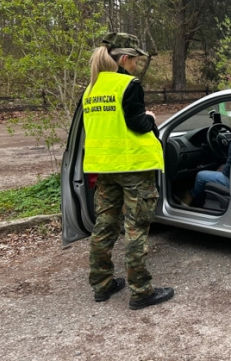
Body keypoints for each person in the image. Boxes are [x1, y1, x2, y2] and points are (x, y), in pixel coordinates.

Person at [83, 32, 174, 310]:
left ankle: (102, 285)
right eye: (134, 60)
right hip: (133, 166)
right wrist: (150, 119)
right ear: (124, 59)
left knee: (104, 227)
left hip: (104, 167)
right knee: (136, 229)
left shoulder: (91, 89)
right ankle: (141, 291)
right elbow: (136, 124)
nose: (135, 66)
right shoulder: (128, 85)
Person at [183, 100, 231, 206]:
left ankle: (195, 203)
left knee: (201, 175)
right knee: (220, 166)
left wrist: (222, 169)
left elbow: (227, 173)